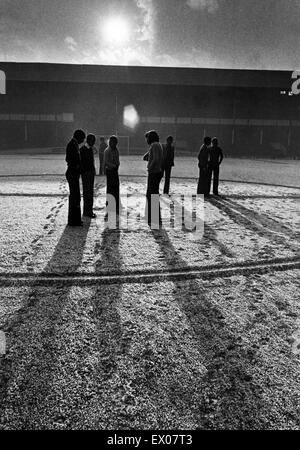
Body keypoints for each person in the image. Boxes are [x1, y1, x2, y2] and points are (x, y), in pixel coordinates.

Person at [65, 129, 86, 226]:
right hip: (72, 172)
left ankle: (75, 219)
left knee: (76, 196)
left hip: (74, 173)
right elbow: (69, 159)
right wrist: (77, 166)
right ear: (78, 137)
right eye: (82, 139)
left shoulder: (74, 144)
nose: (83, 141)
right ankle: (73, 220)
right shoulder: (72, 145)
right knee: (75, 196)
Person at [143, 130, 163, 226]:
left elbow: (155, 158)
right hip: (157, 172)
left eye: (147, 138)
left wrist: (149, 167)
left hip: (154, 172)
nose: (146, 140)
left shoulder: (154, 145)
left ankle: (154, 218)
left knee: (152, 195)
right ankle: (153, 217)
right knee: (151, 194)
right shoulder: (157, 145)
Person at [80, 133, 97, 218]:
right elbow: (83, 162)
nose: (94, 143)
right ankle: (87, 211)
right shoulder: (83, 149)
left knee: (90, 192)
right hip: (86, 173)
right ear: (89, 140)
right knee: (87, 193)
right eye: (93, 141)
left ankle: (89, 210)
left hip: (89, 172)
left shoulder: (89, 148)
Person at [103, 135, 120, 215]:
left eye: (114, 143)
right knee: (110, 188)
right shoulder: (107, 151)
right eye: (111, 142)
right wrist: (114, 166)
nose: (113, 144)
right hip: (110, 171)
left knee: (116, 187)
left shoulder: (116, 150)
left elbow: (117, 160)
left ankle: (116, 205)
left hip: (115, 171)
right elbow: (106, 162)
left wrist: (117, 165)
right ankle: (109, 206)